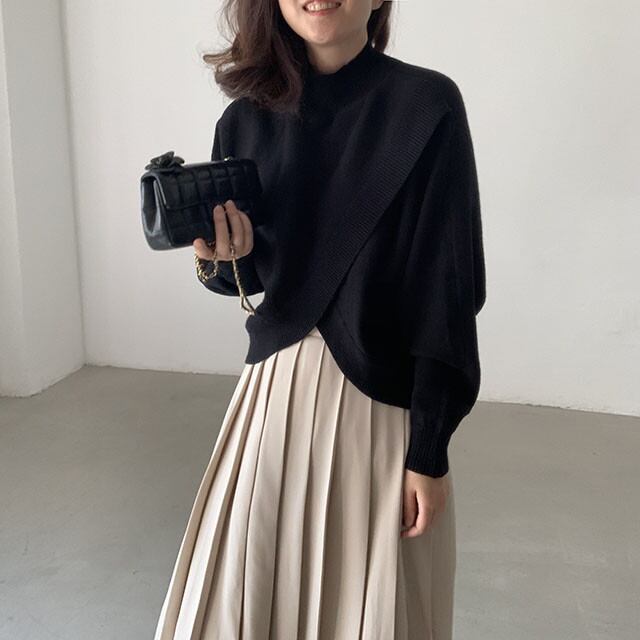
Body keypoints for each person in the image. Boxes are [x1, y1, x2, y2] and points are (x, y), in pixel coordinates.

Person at [154, 0, 486, 638]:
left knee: (373, 606)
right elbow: (251, 279)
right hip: (273, 395)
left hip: (379, 407)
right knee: (244, 601)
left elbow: (445, 292)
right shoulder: (244, 120)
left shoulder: (426, 106)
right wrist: (215, 259)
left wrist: (429, 449)